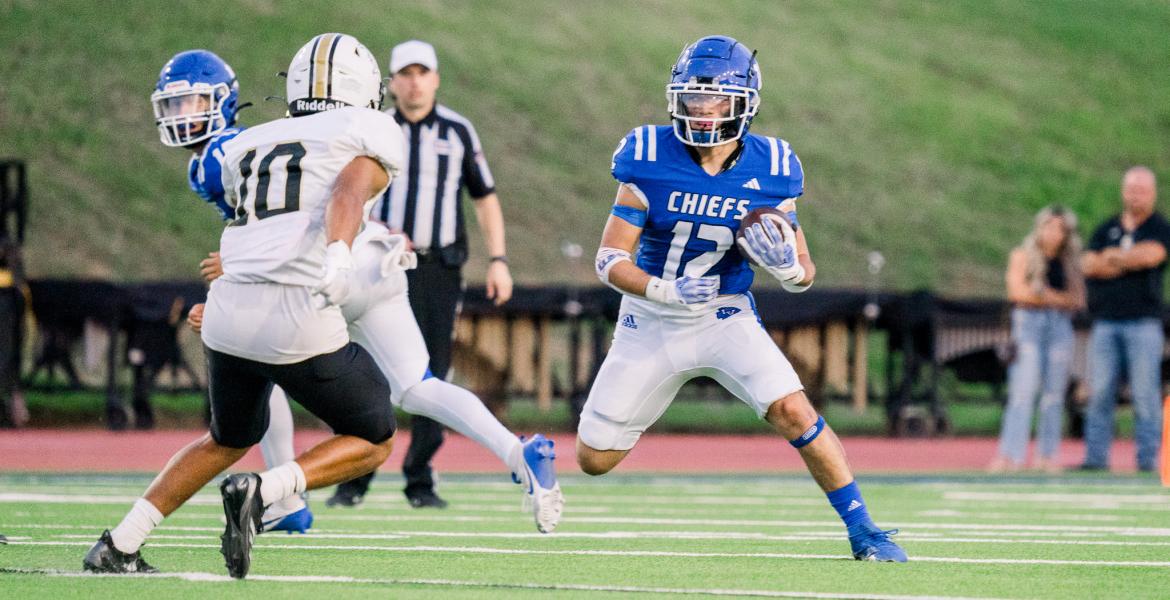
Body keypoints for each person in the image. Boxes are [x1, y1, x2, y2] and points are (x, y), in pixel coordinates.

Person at [183, 44, 563, 532]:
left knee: (259, 363)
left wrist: (230, 287)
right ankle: (518, 453)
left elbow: (293, 217)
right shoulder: (364, 125)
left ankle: (284, 502)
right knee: (418, 385)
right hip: (376, 262)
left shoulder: (236, 149)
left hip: (328, 263)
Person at [84, 33, 404, 579]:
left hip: (229, 313)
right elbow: (349, 191)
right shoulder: (366, 132)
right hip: (295, 311)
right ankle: (267, 489)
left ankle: (119, 543)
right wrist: (340, 257)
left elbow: (256, 225)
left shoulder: (248, 143)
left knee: (227, 438)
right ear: (363, 89)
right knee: (375, 436)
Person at [576, 35, 907, 562]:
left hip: (723, 316)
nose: (702, 112)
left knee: (794, 411)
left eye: (715, 101)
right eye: (692, 99)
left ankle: (865, 531)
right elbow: (609, 259)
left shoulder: (774, 164)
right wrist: (666, 288)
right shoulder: (645, 154)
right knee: (593, 458)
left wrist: (787, 268)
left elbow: (805, 274)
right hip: (652, 316)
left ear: (744, 104)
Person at [328, 39, 514, 510]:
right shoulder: (372, 129)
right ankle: (355, 475)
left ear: (435, 78)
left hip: (435, 267)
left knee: (430, 370)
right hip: (376, 265)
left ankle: (420, 477)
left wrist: (499, 259)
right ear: (390, 82)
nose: (413, 82)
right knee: (362, 366)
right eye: (404, 74)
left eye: (421, 73)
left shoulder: (457, 131)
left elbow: (484, 197)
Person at [150, 48, 313, 534]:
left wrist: (234, 273)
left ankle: (296, 492)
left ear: (222, 101)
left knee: (274, 367)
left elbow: (281, 215)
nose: (182, 116)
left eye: (192, 103)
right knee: (265, 369)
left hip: (301, 258)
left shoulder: (228, 152)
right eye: (174, 106)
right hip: (274, 262)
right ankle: (289, 499)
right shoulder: (203, 163)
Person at [1080, 166, 1169, 473]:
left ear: (1153, 193)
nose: (1136, 195)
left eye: (1142, 190)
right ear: (1123, 191)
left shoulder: (1159, 226)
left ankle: (1147, 460)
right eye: (1132, 189)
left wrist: (1113, 258)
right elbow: (1089, 264)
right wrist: (1126, 260)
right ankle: (1095, 458)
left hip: (1143, 323)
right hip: (1106, 321)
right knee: (1100, 391)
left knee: (1145, 393)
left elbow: (1152, 255)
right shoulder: (1107, 227)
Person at [988, 205, 1085, 474]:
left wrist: (1045, 295)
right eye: (1049, 226)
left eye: (1060, 228)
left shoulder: (1070, 262)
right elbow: (1018, 292)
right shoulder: (1023, 255)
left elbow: (1076, 299)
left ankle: (1047, 454)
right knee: (1022, 391)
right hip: (1029, 325)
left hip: (1059, 327)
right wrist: (1051, 298)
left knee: (1053, 394)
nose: (1054, 233)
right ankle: (1010, 455)